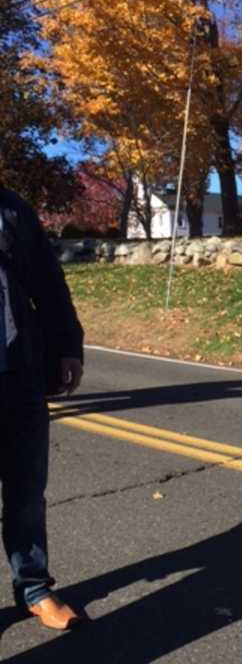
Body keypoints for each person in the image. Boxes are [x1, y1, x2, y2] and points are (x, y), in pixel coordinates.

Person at [0, 186, 84, 630]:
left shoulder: (15, 209)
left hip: (21, 374)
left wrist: (67, 347)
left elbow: (49, 285)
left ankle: (33, 588)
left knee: (27, 492)